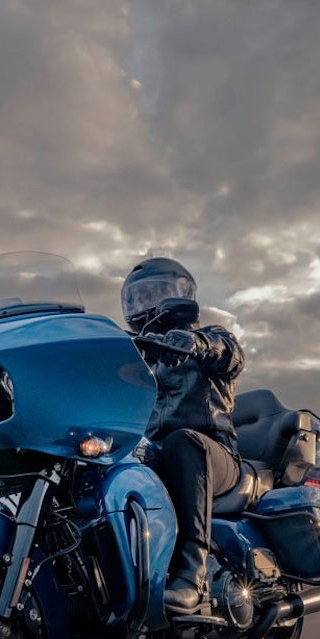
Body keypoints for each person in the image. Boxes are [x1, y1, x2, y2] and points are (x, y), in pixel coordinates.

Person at [122, 256, 245, 614]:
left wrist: (197, 343)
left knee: (182, 442)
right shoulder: (136, 359)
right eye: (140, 297)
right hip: (156, 457)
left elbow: (231, 355)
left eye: (160, 292)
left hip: (214, 455)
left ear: (182, 294)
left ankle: (193, 575)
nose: (150, 303)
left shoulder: (213, 337)